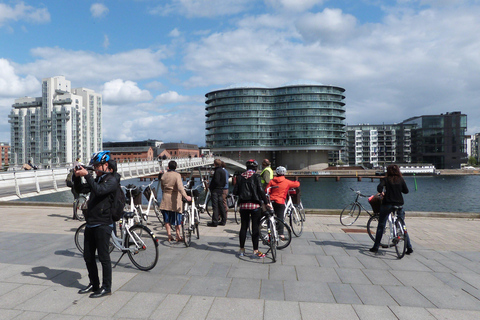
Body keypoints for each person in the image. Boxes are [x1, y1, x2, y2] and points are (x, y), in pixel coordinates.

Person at [74, 150, 120, 298]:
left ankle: (106, 287)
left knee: (104, 257)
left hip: (103, 223)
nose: (94, 168)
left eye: (97, 165)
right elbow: (81, 189)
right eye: (93, 165)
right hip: (91, 222)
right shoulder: (98, 179)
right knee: (88, 256)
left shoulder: (112, 180)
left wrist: (87, 175)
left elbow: (99, 191)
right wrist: (76, 177)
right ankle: (94, 284)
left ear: (106, 165)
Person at [369, 164, 413, 254]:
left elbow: (379, 187)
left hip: (387, 204)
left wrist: (382, 192)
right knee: (402, 226)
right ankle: (409, 247)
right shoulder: (401, 179)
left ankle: (376, 246)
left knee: (381, 225)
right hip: (399, 204)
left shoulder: (386, 179)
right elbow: (406, 191)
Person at [233, 159, 272, 258]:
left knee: (243, 228)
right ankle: (255, 251)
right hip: (255, 205)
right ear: (255, 168)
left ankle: (242, 249)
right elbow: (260, 190)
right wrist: (267, 203)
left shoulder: (240, 177)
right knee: (255, 228)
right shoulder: (256, 176)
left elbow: (235, 192)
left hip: (243, 206)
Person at [159, 160, 191, 242]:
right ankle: (178, 235)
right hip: (175, 199)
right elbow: (180, 187)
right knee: (177, 219)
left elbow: (162, 187)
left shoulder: (164, 175)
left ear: (168, 167)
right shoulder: (177, 175)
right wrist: (186, 196)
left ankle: (169, 236)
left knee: (166, 219)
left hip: (165, 198)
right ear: (176, 167)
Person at [265, 166, 300, 238]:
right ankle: (281, 234)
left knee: (270, 216)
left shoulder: (272, 181)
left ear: (277, 173)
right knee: (280, 217)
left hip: (271, 201)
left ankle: (269, 231)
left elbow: (267, 190)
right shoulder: (286, 182)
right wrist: (297, 181)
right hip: (280, 202)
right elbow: (297, 184)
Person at [207, 159, 227, 227]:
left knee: (215, 206)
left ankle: (215, 221)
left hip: (215, 190)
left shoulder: (217, 171)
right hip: (221, 190)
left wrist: (211, 187)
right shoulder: (223, 171)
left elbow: (216, 181)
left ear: (215, 164)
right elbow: (224, 181)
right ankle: (223, 220)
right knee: (221, 205)